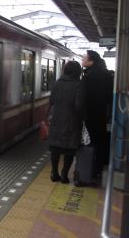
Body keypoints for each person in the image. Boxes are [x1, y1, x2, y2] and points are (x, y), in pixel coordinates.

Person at [48, 61, 84, 183]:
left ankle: (54, 173)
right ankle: (64, 175)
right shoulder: (78, 85)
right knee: (69, 150)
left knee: (55, 148)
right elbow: (79, 106)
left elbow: (51, 100)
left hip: (56, 120)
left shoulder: (57, 83)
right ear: (78, 72)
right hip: (71, 122)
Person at [82, 50, 113, 180]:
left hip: (90, 115)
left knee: (89, 142)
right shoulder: (106, 74)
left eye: (85, 58)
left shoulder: (89, 76)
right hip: (101, 115)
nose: (83, 59)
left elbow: (84, 97)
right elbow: (109, 97)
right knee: (99, 142)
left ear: (91, 60)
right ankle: (98, 170)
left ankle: (90, 172)